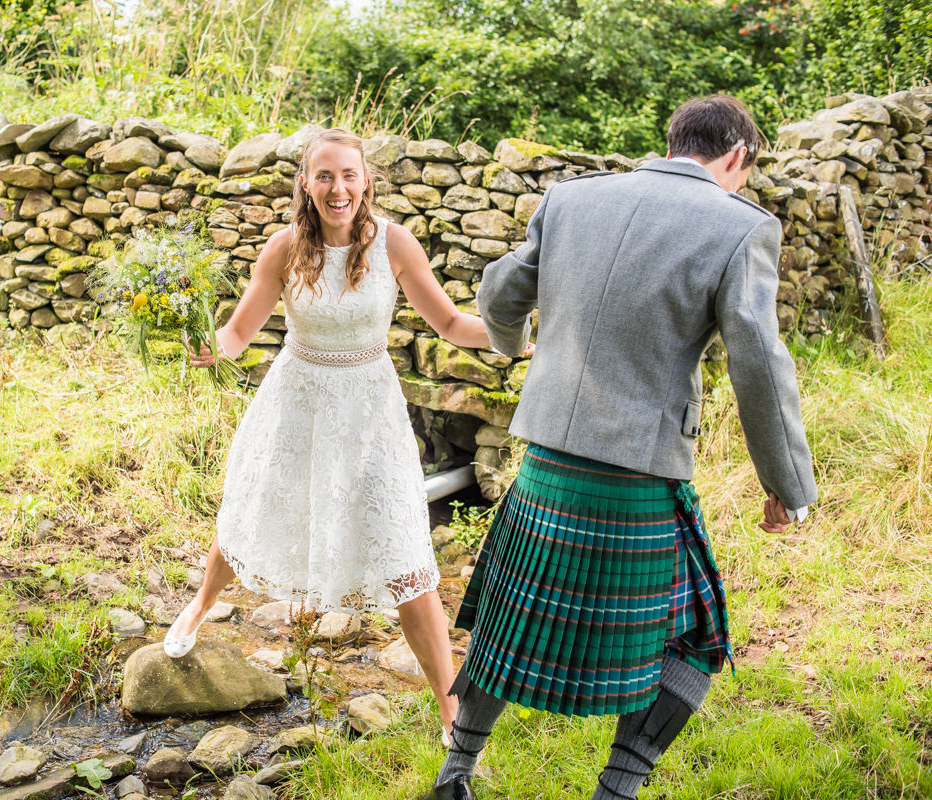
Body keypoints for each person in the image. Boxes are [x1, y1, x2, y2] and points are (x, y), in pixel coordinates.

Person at [423, 95, 818, 800]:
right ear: (738, 157)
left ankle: (457, 775)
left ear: (672, 142)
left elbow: (500, 290)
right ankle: (617, 791)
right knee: (694, 637)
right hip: (638, 478)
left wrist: (517, 350)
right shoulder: (742, 227)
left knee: (509, 620)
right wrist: (788, 484)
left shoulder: (572, 199)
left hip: (546, 468)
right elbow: (758, 357)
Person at [167, 127, 499, 742]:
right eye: (325, 175)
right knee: (257, 510)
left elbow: (451, 322)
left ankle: (451, 710)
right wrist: (207, 347)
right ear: (305, 183)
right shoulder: (284, 248)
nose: (338, 187)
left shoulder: (395, 244)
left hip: (370, 411)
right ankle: (201, 603)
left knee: (404, 546)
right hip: (298, 403)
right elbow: (238, 333)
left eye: (349, 175)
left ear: (366, 181)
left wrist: (506, 336)